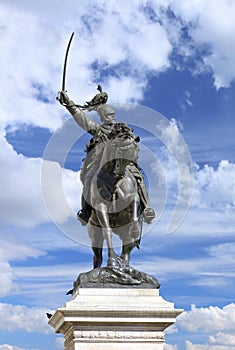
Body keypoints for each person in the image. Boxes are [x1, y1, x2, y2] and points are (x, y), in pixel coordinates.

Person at [58, 87, 155, 225]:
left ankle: (146, 208)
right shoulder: (99, 130)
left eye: (112, 115)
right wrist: (69, 104)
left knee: (138, 177)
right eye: (108, 116)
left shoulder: (122, 128)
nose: (111, 118)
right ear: (103, 118)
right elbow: (82, 119)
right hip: (102, 163)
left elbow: (131, 141)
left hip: (123, 161)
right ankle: (86, 211)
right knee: (89, 178)